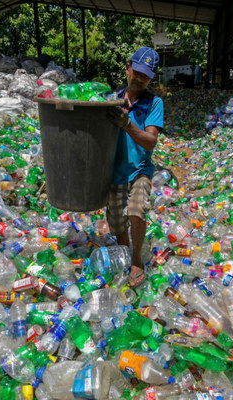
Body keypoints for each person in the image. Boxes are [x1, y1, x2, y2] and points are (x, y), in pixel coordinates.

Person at [105, 47, 163, 288]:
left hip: (140, 169)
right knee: (117, 222)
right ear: (128, 67)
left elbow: (150, 141)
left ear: (151, 78)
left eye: (146, 75)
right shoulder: (112, 100)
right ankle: (124, 254)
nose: (139, 78)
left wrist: (127, 123)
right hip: (115, 171)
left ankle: (137, 259)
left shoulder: (154, 103)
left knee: (136, 209)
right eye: (137, 72)